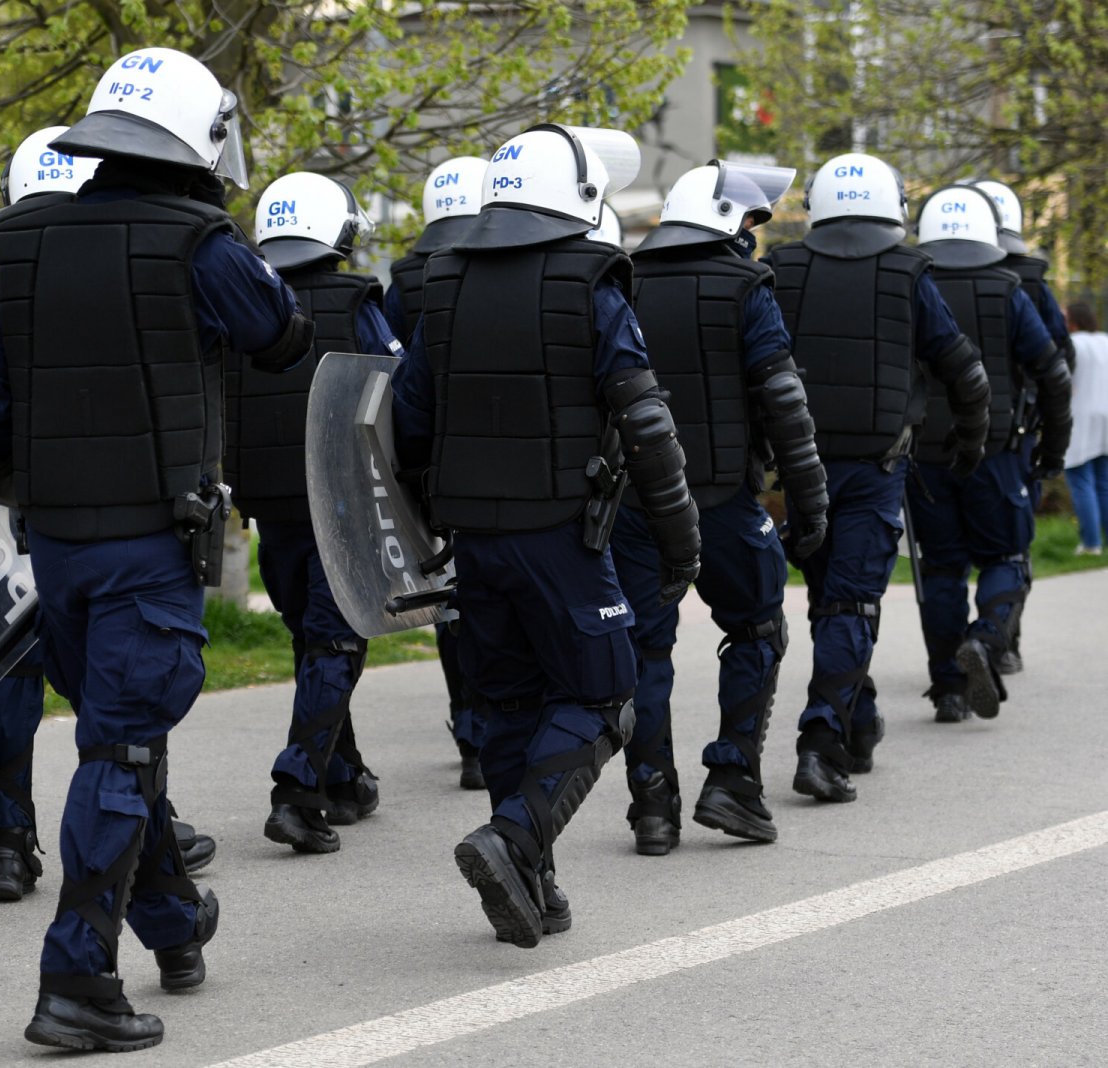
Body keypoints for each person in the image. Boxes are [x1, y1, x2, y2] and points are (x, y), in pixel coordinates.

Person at [0, 48, 313, 1052]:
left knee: (119, 738)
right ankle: (76, 979)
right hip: (152, 547)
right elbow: (279, 334)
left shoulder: (15, 239)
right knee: (120, 750)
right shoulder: (199, 240)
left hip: (54, 551)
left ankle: (171, 923)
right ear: (195, 140)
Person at [392, 124, 701, 947]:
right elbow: (646, 424)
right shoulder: (592, 285)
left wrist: (434, 510)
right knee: (604, 699)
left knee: (508, 704)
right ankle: (515, 839)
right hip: (562, 536)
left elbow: (407, 420)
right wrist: (680, 537)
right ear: (581, 197)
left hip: (473, 540)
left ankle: (530, 883)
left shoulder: (444, 284)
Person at [0, 127, 216, 900]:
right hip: (97, 508)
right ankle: (141, 831)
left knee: (7, 676)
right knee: (114, 691)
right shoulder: (116, 254)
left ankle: (8, 845)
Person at [764, 152, 991, 800]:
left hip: (799, 469)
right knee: (852, 602)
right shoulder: (907, 271)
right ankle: (820, 743)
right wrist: (968, 448)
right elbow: (965, 373)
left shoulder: (780, 269)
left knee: (829, 599)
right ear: (892, 204)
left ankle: (856, 721)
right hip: (874, 468)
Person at [615, 160, 826, 853]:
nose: (754, 234)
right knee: (760, 629)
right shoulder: (745, 286)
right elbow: (784, 401)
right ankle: (732, 781)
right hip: (724, 499)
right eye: (749, 221)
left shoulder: (619, 280)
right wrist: (809, 496)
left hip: (636, 502)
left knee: (645, 650)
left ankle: (652, 808)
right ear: (728, 222)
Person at [236, 171, 401, 853]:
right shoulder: (354, 298)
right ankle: (297, 790)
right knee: (337, 639)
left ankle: (344, 774)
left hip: (269, 503)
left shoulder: (242, 300)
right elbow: (399, 386)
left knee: (316, 637)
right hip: (339, 496)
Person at [907, 185, 1069, 722]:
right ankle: (987, 637)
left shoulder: (911, 285)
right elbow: (1052, 370)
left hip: (927, 455)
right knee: (1005, 559)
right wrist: (1053, 448)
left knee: (943, 570)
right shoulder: (1007, 289)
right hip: (997, 450)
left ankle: (950, 690)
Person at [382, 155, 491, 790]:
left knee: (453, 600)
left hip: (427, 466)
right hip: (500, 459)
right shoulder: (494, 267)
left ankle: (470, 731)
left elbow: (389, 384)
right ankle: (501, 726)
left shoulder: (402, 284)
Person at [964, 179, 1074, 674]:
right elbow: (1059, 358)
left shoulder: (934, 272)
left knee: (946, 560)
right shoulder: (1029, 280)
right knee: (1011, 545)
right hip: (1016, 432)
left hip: (946, 437)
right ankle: (1003, 642)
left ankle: (953, 672)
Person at [1063, 303, 1108, 553]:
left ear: (1074, 321)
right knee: (1104, 482)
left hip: (1080, 417)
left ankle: (1091, 543)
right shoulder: (1105, 340)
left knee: (1081, 481)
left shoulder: (1072, 344)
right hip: (1106, 416)